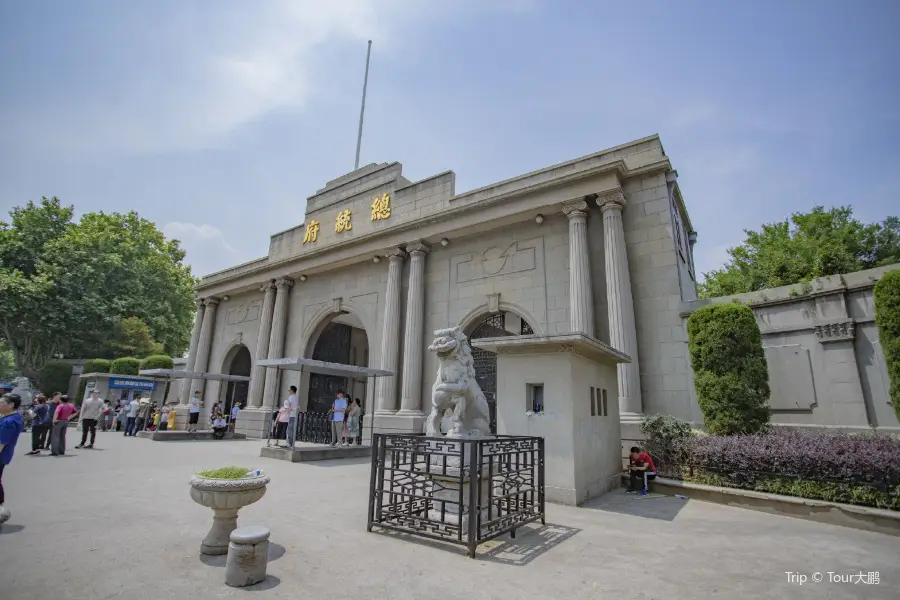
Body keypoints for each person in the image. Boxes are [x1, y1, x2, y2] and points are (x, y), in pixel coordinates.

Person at [0, 394, 25, 515]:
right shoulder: (14, 417)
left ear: (11, 405)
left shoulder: (8, 422)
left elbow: (1, 443)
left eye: (1, 403)